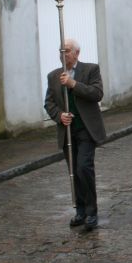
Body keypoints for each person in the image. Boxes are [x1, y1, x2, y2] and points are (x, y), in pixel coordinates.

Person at [44, 39, 106, 231]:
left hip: (86, 129)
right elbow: (49, 103)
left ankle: (91, 212)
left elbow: (97, 93)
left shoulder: (90, 70)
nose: (63, 53)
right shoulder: (53, 76)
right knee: (74, 173)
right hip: (67, 133)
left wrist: (73, 84)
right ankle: (80, 211)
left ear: (77, 53)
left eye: (67, 50)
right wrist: (59, 116)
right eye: (61, 50)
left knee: (83, 168)